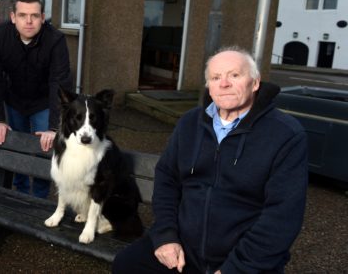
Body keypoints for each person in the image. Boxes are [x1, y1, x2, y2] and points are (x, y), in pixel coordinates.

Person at [113, 46, 308, 274]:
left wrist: (236, 269)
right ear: (208, 85)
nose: (223, 83)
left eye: (234, 75)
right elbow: (167, 179)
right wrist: (165, 236)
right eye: (215, 77)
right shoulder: (190, 123)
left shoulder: (285, 134)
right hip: (186, 250)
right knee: (127, 264)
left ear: (255, 83)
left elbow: (282, 217)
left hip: (245, 260)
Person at [0, 0, 72, 198]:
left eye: (34, 15)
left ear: (42, 17)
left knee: (44, 150)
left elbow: (59, 83)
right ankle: (21, 192)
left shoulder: (56, 40)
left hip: (44, 101)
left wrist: (53, 127)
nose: (29, 21)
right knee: (17, 147)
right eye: (23, 15)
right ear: (13, 17)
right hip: (14, 99)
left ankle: (38, 198)